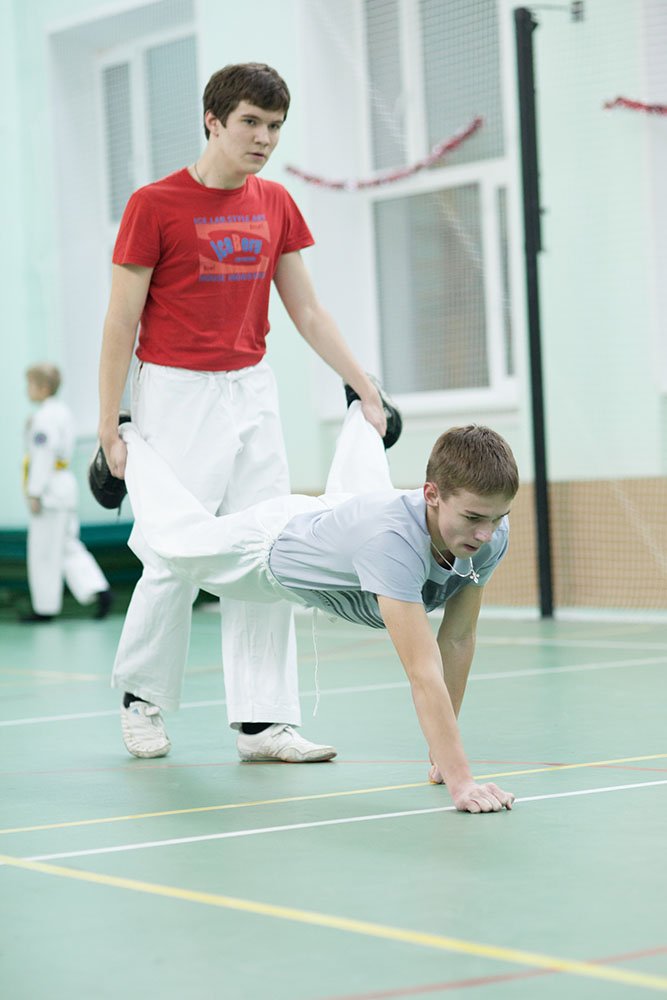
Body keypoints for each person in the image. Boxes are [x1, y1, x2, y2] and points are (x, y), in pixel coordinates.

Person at [97, 62, 388, 763]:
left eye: (275, 126)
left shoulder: (276, 203)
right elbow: (120, 321)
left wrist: (364, 387)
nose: (264, 138)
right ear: (213, 121)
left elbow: (307, 310)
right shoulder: (154, 204)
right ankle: (141, 698)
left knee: (268, 547)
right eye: (251, 123)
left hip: (252, 389)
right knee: (174, 549)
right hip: (175, 392)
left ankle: (263, 723)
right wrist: (109, 424)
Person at [117, 397, 519, 814]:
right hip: (267, 544)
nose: (487, 534)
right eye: (474, 518)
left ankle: (364, 405)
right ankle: (126, 438)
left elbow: (456, 639)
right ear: (431, 495)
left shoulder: (489, 534)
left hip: (346, 518)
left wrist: (442, 754)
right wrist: (461, 781)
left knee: (363, 486)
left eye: (498, 517)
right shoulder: (391, 545)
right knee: (175, 539)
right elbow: (423, 669)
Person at [22, 364, 112, 623]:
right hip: (64, 487)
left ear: (43, 388)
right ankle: (98, 590)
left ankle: (44, 607)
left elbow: (43, 455)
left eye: (30, 385)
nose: (27, 390)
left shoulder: (44, 417)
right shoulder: (61, 412)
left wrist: (34, 492)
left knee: (44, 552)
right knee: (66, 545)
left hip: (49, 490)